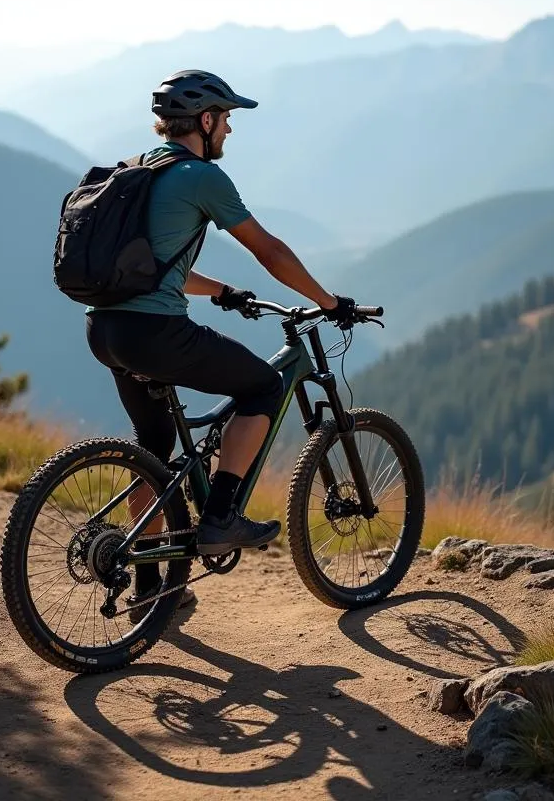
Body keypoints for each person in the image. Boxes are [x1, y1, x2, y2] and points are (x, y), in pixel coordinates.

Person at [85, 69, 358, 612]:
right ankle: (220, 518)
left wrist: (222, 291)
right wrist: (330, 302)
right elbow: (270, 251)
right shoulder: (201, 177)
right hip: (155, 333)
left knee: (154, 451)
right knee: (262, 385)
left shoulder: (139, 171)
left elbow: (154, 268)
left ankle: (150, 592)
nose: (230, 130)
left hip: (106, 329)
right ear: (205, 121)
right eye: (227, 118)